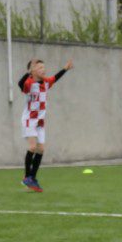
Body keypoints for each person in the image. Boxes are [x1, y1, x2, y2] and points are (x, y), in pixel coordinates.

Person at [18, 57, 72, 192]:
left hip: (40, 122)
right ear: (33, 70)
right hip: (29, 120)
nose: (43, 69)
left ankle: (33, 178)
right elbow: (20, 84)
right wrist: (28, 72)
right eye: (40, 67)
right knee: (32, 146)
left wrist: (65, 69)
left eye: (44, 67)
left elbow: (55, 77)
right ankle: (27, 177)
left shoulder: (46, 82)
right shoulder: (29, 83)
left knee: (41, 149)